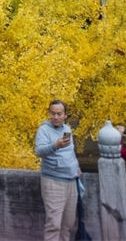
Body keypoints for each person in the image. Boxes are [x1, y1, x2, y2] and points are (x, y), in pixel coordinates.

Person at [34, 100, 81, 241]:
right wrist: (55, 145)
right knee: (54, 224)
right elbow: (39, 151)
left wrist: (76, 166)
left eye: (59, 114)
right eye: (52, 113)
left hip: (71, 180)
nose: (55, 117)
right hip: (53, 181)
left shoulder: (67, 129)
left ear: (65, 115)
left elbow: (70, 152)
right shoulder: (43, 130)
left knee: (68, 224)